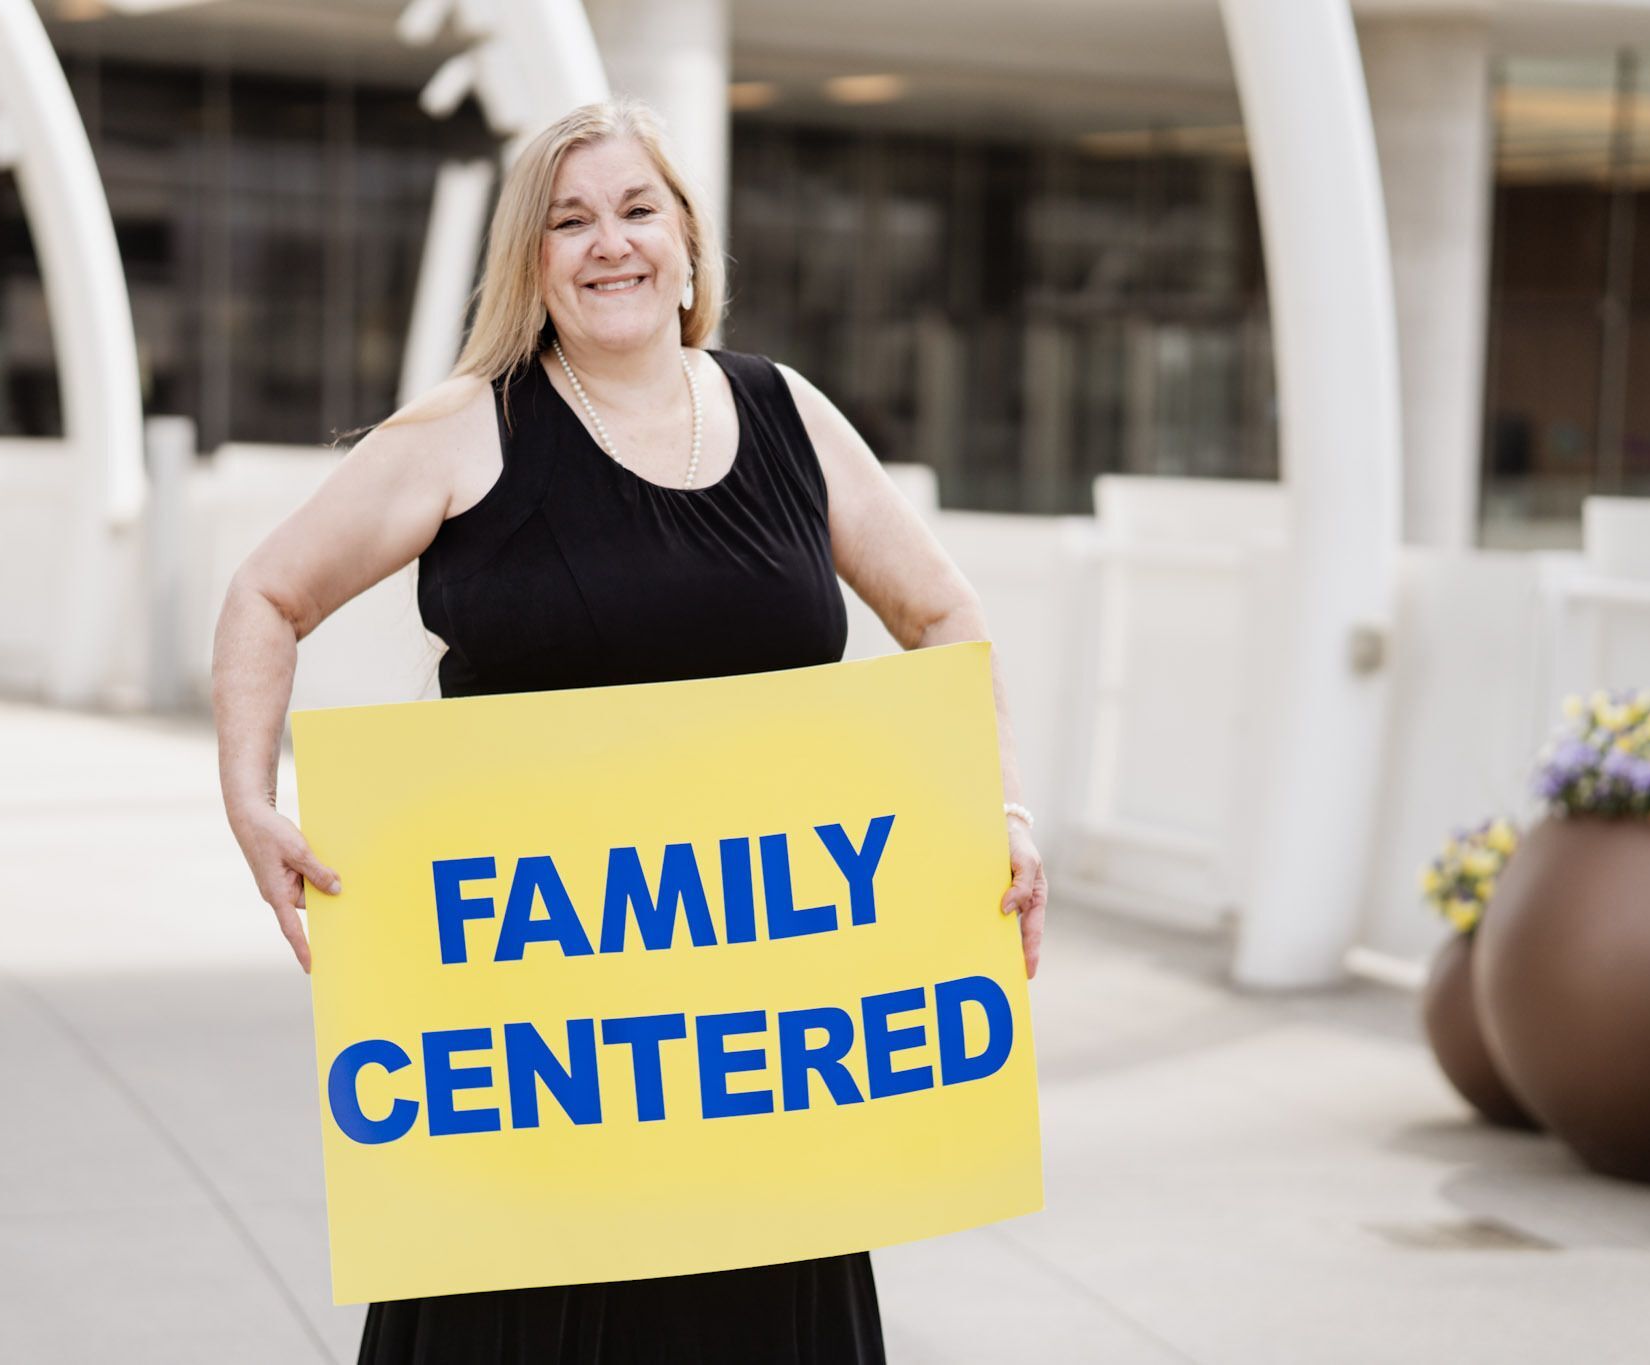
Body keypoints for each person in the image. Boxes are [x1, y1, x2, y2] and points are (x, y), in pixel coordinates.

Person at [212, 98, 1046, 1365]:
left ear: (688, 241)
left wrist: (999, 809)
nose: (610, 244)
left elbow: (941, 612)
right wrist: (248, 794)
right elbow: (267, 595)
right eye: (570, 220)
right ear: (530, 262)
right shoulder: (466, 429)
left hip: (753, 1046)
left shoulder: (785, 416)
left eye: (636, 210)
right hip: (534, 1049)